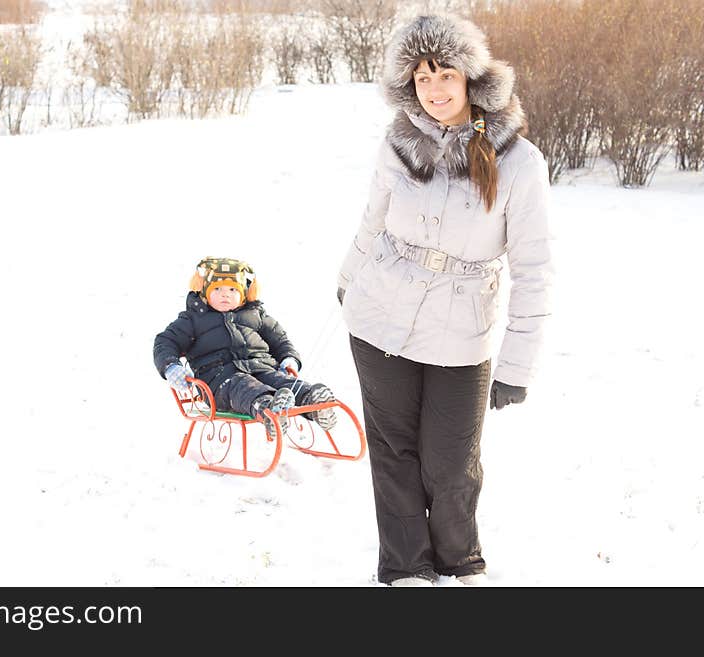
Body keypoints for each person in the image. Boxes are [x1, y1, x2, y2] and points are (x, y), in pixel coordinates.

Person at [337, 13, 554, 587]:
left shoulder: (519, 161)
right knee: (394, 454)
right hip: (379, 317)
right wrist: (347, 278)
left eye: (444, 75)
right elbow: (373, 219)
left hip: (463, 331)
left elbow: (535, 269)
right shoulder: (398, 140)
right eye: (421, 79)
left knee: (450, 462)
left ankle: (459, 562)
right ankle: (406, 569)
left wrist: (517, 365)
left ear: (470, 79)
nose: (433, 91)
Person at [154, 256, 338, 436]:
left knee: (281, 381)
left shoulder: (255, 315)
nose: (225, 294)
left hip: (261, 368)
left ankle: (313, 403)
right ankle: (269, 410)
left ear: (243, 294)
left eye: (233, 290)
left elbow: (280, 340)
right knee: (243, 386)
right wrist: (171, 366)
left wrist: (289, 358)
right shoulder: (192, 320)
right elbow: (165, 342)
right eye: (217, 288)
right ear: (204, 292)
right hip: (219, 381)